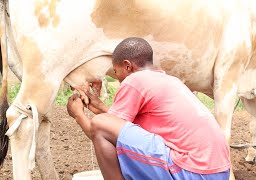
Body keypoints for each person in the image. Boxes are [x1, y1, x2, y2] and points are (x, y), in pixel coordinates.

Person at [67, 37, 231, 180]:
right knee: (104, 122)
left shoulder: (135, 80)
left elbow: (99, 131)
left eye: (116, 73)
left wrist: (78, 115)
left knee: (100, 123)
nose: (118, 80)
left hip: (191, 170)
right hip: (217, 171)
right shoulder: (170, 81)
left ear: (128, 66)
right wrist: (101, 107)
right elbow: (121, 129)